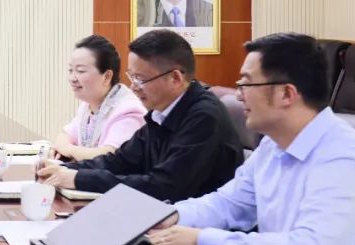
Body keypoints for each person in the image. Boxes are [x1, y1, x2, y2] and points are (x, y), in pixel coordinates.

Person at [148, 33, 355, 245]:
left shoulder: (344, 160)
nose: (239, 95)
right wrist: (168, 217)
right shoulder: (274, 145)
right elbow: (229, 204)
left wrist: (202, 238)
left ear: (287, 94)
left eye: (247, 84)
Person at [38, 29, 243, 201]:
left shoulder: (203, 117)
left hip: (195, 227)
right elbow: (120, 161)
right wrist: (63, 168)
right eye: (131, 77)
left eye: (140, 79)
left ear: (175, 78)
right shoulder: (161, 112)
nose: (134, 87)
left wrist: (77, 178)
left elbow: (164, 186)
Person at [51, 35, 146, 161]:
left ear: (107, 77)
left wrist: (68, 150)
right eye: (70, 70)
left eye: (80, 71)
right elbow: (65, 135)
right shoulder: (89, 105)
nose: (72, 78)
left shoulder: (128, 110)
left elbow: (109, 156)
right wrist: (63, 148)